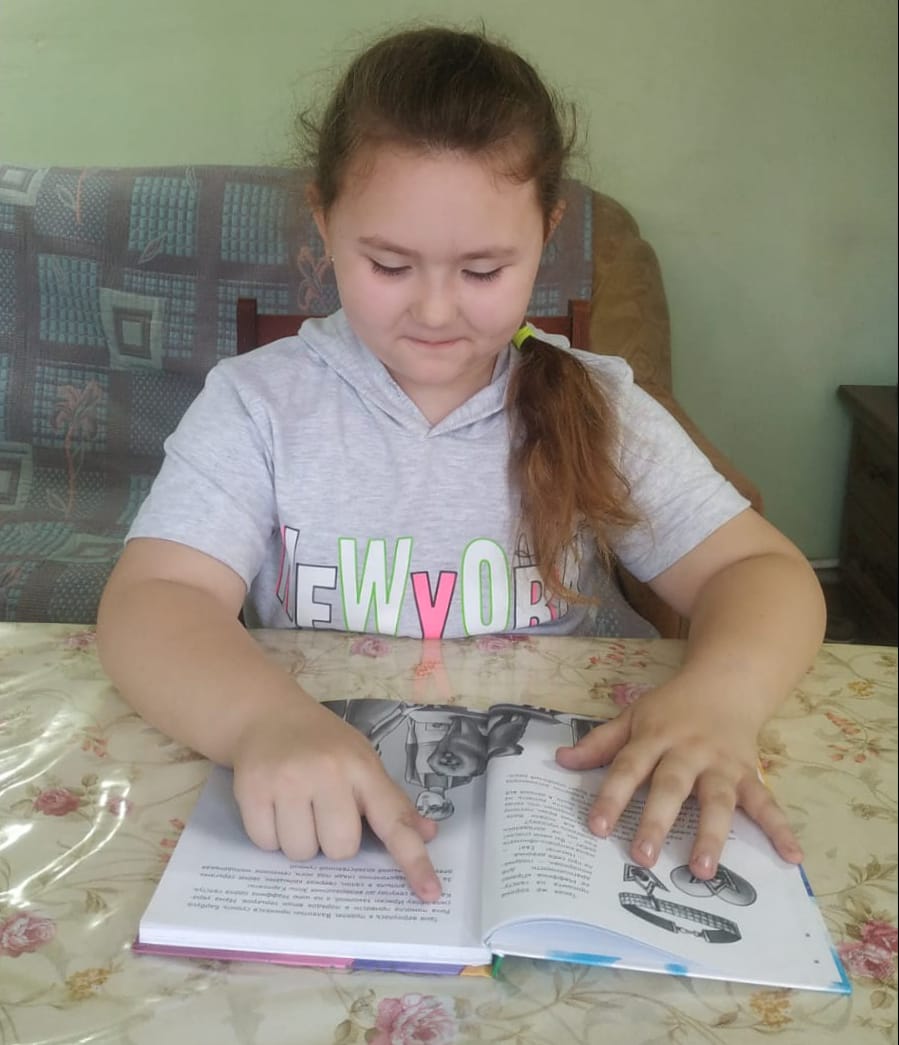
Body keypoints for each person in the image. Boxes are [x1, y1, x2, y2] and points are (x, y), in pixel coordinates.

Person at [96, 25, 826, 903]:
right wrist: (261, 723)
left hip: (574, 812)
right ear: (324, 221)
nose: (435, 311)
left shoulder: (598, 403)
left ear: (546, 232)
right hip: (328, 798)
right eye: (389, 264)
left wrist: (721, 699)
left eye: (482, 270)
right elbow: (154, 599)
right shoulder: (258, 404)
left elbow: (759, 572)